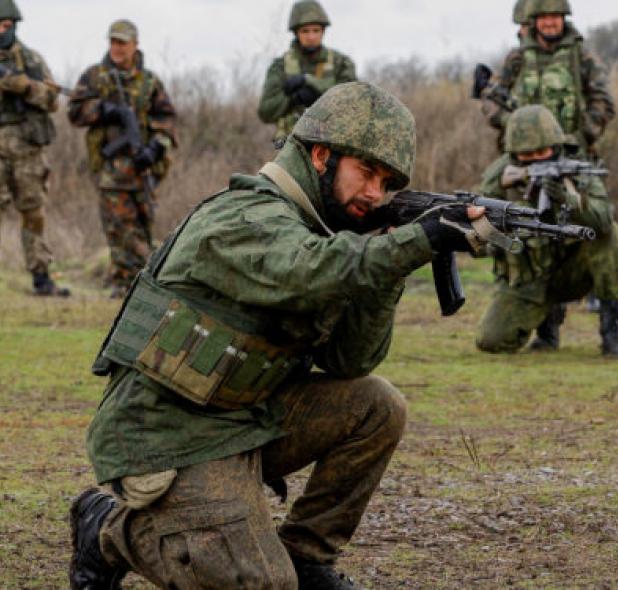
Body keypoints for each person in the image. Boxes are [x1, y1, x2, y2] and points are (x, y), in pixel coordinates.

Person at [68, 82, 486, 590]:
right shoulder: (244, 217)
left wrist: (388, 264)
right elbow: (311, 269)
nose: (376, 193)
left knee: (377, 406)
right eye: (367, 173)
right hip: (170, 436)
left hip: (244, 416)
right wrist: (411, 243)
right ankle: (108, 529)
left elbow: (350, 362)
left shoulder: (324, 236)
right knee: (261, 584)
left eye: (389, 183)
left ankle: (307, 558)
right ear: (320, 155)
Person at [475, 105, 618, 359]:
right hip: (527, 278)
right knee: (491, 341)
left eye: (543, 151)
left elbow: (603, 217)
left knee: (609, 234)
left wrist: (566, 200)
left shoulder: (576, 168)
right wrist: (502, 235)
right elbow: (478, 223)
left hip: (570, 273)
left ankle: (611, 335)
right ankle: (546, 330)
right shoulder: (500, 175)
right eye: (528, 155)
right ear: (515, 154)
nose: (537, 158)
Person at [68, 20, 176, 299]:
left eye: (122, 43)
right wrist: (103, 110)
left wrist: (155, 148)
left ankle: (145, 280)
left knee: (144, 224)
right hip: (110, 170)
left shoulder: (150, 82)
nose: (117, 48)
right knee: (118, 228)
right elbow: (75, 112)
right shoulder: (94, 76)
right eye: (113, 42)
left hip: (144, 168)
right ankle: (122, 283)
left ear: (135, 45)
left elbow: (166, 121)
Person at [487, 0, 614, 158]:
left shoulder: (582, 56)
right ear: (535, 20)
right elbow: (490, 99)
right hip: (522, 155)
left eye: (554, 16)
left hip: (571, 153)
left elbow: (603, 102)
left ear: (563, 18)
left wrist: (581, 137)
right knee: (490, 182)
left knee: (592, 183)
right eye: (543, 17)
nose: (549, 23)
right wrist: (511, 122)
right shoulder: (517, 57)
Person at [0, 0, 67, 296]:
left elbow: (53, 100)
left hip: (26, 149)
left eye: (5, 26)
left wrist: (25, 86)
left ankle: (41, 277)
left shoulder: (31, 60)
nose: (1, 31)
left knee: (33, 212)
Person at [258, 0, 357, 146]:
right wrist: (293, 99)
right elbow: (266, 112)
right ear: (296, 33)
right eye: (305, 31)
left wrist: (309, 82)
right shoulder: (280, 67)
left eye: (316, 30)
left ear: (323, 31)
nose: (311, 37)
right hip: (291, 144)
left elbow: (351, 104)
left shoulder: (341, 63)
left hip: (334, 142)